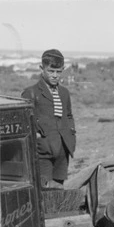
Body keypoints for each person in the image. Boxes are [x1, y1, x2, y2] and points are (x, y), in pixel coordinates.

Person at [21, 49, 77, 188]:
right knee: (42, 189)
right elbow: (25, 120)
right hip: (42, 151)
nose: (54, 75)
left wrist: (71, 136)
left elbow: (69, 115)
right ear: (42, 69)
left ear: (63, 70)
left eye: (58, 72)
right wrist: (37, 136)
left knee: (58, 189)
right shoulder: (31, 92)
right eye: (51, 71)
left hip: (63, 149)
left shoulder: (64, 93)